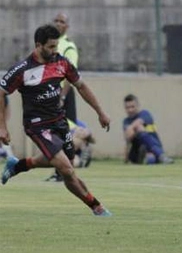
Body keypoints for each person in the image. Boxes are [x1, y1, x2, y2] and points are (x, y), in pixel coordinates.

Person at [0, 24, 112, 217]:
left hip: (59, 121)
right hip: (37, 124)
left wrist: (100, 112)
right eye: (51, 47)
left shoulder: (62, 63)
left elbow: (82, 86)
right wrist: (2, 127)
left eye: (56, 46)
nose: (55, 51)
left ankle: (17, 165)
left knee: (66, 163)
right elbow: (0, 93)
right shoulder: (22, 69)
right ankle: (96, 207)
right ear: (38, 45)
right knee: (67, 170)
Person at [46, 13, 79, 181]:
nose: (58, 24)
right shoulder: (50, 43)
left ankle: (65, 171)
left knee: (66, 132)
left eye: (62, 22)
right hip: (49, 93)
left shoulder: (68, 47)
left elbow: (70, 74)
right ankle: (60, 171)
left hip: (62, 94)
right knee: (53, 133)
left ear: (67, 26)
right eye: (56, 21)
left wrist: (62, 97)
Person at [123, 94, 174, 165]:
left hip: (153, 148)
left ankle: (152, 156)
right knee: (139, 129)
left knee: (151, 159)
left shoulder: (145, 113)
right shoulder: (126, 121)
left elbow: (139, 122)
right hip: (136, 149)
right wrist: (126, 158)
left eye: (132, 107)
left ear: (137, 106)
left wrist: (131, 128)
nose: (130, 110)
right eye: (127, 108)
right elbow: (128, 138)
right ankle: (160, 156)